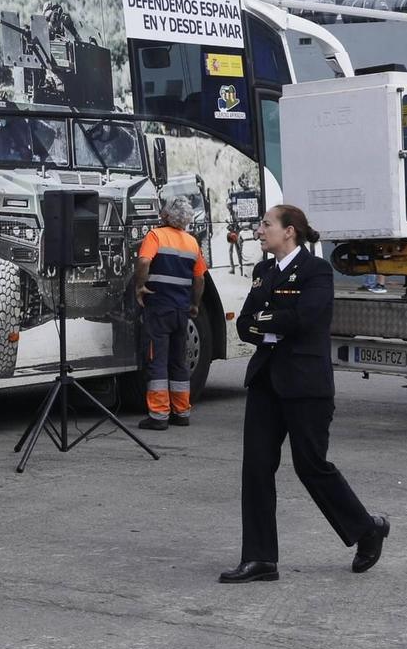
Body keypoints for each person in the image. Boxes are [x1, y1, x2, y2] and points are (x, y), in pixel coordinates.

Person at [220, 204, 389, 584]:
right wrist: (273, 323)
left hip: (305, 385)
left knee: (310, 466)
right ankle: (260, 558)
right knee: (257, 468)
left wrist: (271, 322)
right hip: (266, 382)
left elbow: (304, 319)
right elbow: (245, 325)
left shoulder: (316, 271)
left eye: (266, 224)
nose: (260, 230)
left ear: (289, 231)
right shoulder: (263, 271)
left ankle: (366, 529)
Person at [134, 196, 208, 430]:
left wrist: (140, 286)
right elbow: (199, 278)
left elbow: (144, 261)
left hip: (159, 309)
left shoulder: (155, 236)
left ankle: (158, 416)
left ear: (165, 216)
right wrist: (195, 304)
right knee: (179, 361)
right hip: (181, 310)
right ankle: (181, 412)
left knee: (157, 360)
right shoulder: (192, 242)